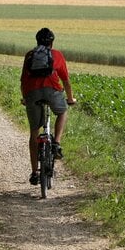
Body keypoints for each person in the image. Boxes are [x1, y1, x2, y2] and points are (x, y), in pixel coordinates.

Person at [21, 27, 76, 186]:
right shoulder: (57, 55)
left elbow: (23, 80)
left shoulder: (30, 55)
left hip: (32, 93)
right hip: (52, 91)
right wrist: (70, 98)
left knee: (34, 131)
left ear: (37, 41)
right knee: (62, 111)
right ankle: (56, 143)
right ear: (52, 42)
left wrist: (26, 98)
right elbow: (65, 81)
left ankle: (34, 172)